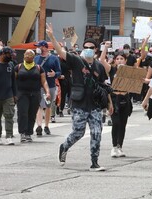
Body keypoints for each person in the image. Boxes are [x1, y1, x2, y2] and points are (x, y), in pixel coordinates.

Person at [45, 23, 113, 171]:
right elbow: (61, 52)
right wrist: (51, 36)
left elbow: (103, 86)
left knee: (96, 133)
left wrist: (109, 104)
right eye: (86, 47)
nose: (88, 50)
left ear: (96, 50)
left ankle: (94, 162)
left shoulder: (99, 66)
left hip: (95, 105)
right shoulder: (77, 61)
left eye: (91, 48)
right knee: (78, 132)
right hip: (79, 104)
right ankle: (64, 147)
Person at [15, 49, 50, 142]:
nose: (28, 56)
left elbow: (44, 81)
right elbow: (13, 80)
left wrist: (47, 92)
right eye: (26, 54)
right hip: (22, 93)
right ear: (23, 56)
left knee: (32, 113)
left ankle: (28, 133)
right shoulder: (18, 67)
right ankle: (22, 132)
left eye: (30, 54)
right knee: (22, 113)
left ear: (33, 57)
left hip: (35, 94)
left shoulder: (39, 68)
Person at [107, 51, 133, 157]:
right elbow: (102, 61)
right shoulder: (112, 70)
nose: (119, 60)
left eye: (121, 58)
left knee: (123, 124)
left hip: (125, 99)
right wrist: (106, 49)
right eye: (117, 59)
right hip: (114, 99)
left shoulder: (129, 72)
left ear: (125, 60)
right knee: (116, 123)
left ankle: (120, 147)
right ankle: (114, 147)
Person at [34, 40, 61, 136]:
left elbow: (59, 72)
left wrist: (55, 74)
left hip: (50, 86)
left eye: (39, 46)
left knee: (48, 105)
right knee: (39, 106)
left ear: (45, 47)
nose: (38, 48)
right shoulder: (36, 58)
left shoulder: (54, 59)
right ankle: (39, 126)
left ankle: (46, 126)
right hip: (38, 86)